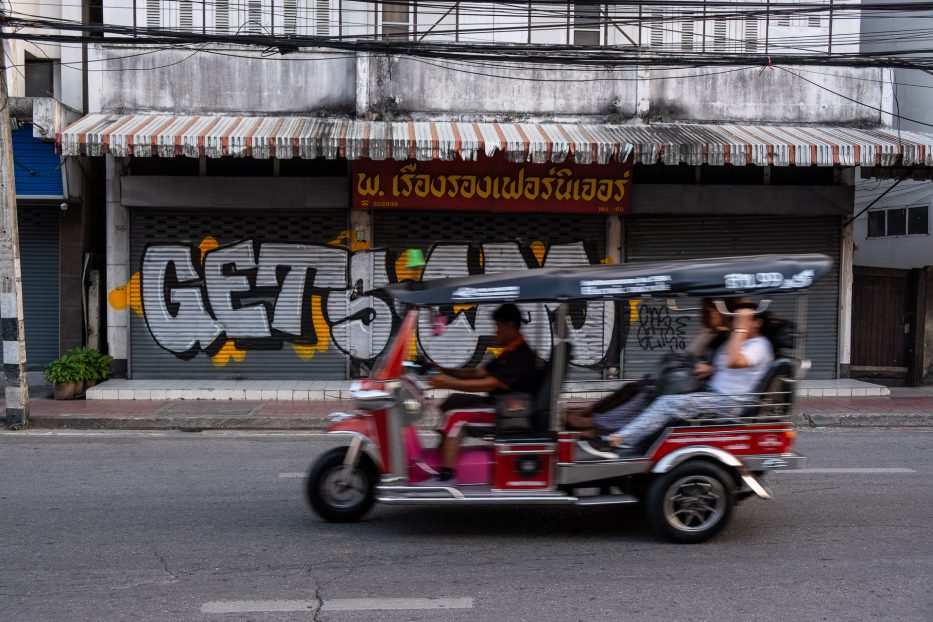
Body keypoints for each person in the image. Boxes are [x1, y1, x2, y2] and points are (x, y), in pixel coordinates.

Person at [608, 301, 774, 454]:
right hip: (713, 394)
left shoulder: (759, 345)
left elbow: (733, 362)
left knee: (667, 404)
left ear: (757, 323)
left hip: (729, 402)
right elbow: (696, 354)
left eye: (743, 320)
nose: (736, 322)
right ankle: (634, 439)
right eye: (735, 319)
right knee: (654, 391)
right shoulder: (736, 341)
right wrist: (713, 367)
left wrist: (740, 328)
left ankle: (621, 440)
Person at [566, 298, 729, 440]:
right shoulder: (712, 333)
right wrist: (709, 331)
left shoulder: (724, 338)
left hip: (689, 387)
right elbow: (690, 354)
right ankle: (591, 414)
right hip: (679, 380)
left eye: (707, 311)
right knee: (631, 388)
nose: (703, 315)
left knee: (645, 397)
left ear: (720, 312)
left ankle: (598, 424)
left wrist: (711, 367)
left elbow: (710, 362)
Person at [426, 303, 538, 482]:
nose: (495, 332)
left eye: (497, 327)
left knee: (455, 417)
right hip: (499, 406)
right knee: (452, 401)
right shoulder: (509, 351)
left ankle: (446, 475)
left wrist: (446, 383)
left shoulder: (521, 355)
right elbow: (477, 373)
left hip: (508, 412)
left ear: (510, 326)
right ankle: (443, 451)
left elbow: (488, 384)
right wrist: (444, 370)